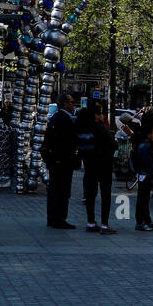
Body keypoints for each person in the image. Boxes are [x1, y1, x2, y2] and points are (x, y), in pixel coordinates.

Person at [80, 105, 117, 233]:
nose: (102, 116)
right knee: (105, 195)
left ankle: (91, 222)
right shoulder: (100, 128)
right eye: (101, 113)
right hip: (104, 165)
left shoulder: (84, 128)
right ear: (95, 116)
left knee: (90, 195)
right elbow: (114, 144)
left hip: (89, 165)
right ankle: (105, 225)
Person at [44, 93, 79, 229]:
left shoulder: (55, 117)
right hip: (63, 160)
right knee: (63, 190)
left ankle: (52, 218)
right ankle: (60, 219)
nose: (73, 104)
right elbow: (68, 141)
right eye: (71, 102)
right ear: (64, 103)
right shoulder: (64, 119)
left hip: (55, 160)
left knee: (54, 189)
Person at [133, 122, 153, 232]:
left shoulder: (142, 145)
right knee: (143, 200)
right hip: (145, 175)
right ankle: (140, 222)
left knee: (144, 199)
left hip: (143, 175)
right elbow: (148, 164)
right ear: (148, 135)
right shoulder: (145, 147)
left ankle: (146, 220)